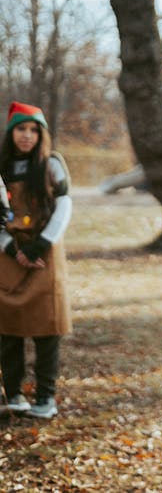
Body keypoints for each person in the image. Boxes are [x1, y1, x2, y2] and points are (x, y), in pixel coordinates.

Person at [0, 101, 73, 419]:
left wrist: (39, 245)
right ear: (10, 132)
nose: (27, 135)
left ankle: (46, 399)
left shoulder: (52, 165)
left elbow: (64, 208)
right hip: (9, 256)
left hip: (45, 254)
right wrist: (11, 249)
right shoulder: (2, 167)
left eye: (33, 130)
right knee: (8, 329)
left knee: (47, 329)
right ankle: (13, 394)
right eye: (21, 129)